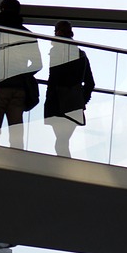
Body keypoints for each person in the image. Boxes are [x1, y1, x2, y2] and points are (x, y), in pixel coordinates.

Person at [0, 0, 42, 149]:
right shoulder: (27, 33)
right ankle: (17, 157)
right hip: (20, 87)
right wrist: (23, 74)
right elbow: (37, 64)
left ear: (1, 9)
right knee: (16, 129)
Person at [44, 20, 96, 157]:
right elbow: (90, 83)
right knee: (63, 141)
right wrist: (82, 100)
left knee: (60, 142)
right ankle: (64, 169)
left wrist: (49, 100)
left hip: (57, 102)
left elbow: (53, 79)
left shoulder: (56, 51)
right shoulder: (81, 54)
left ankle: (63, 170)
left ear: (58, 32)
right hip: (74, 103)